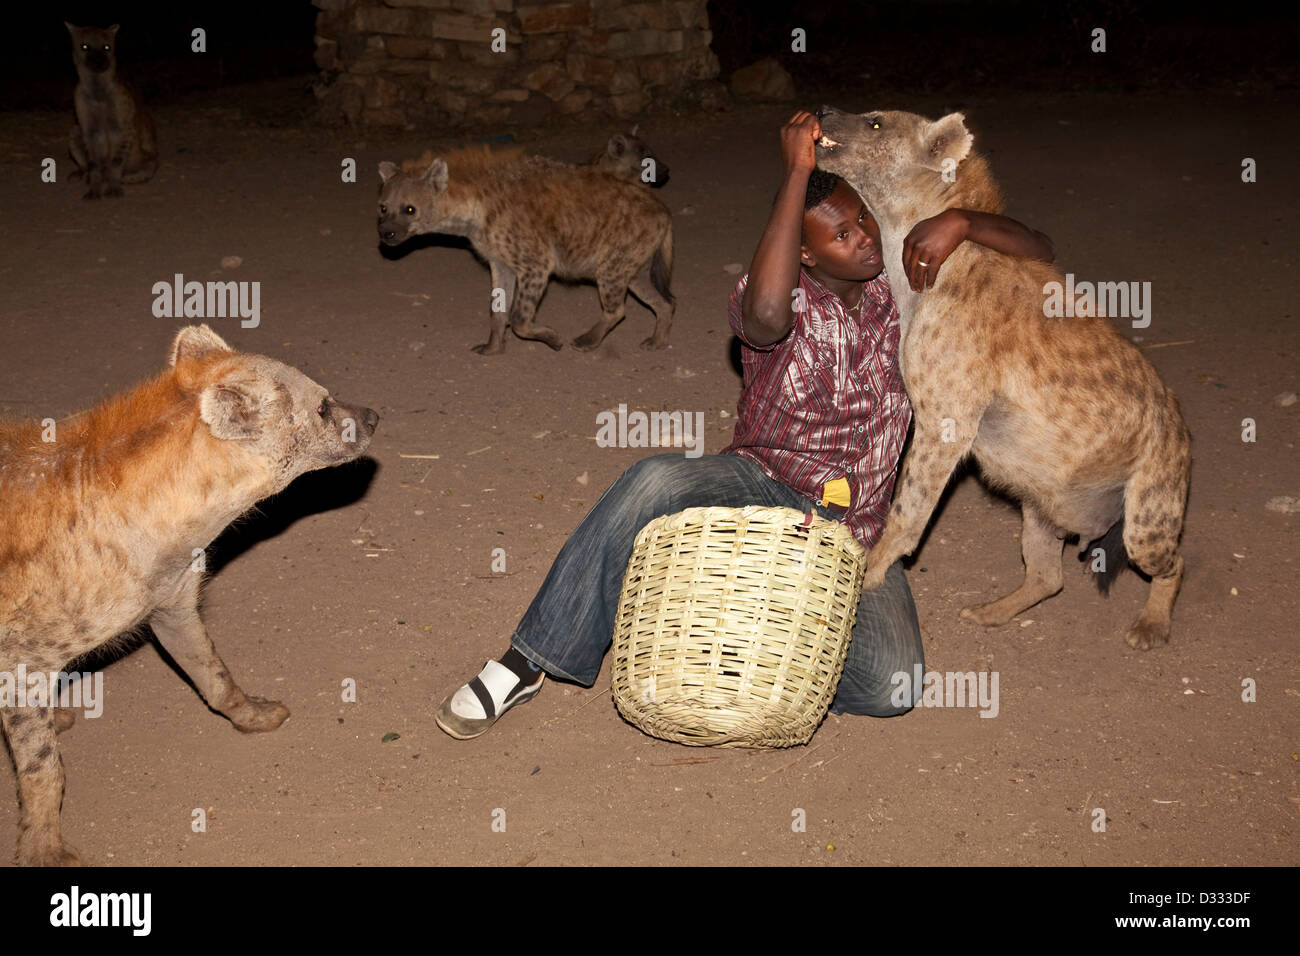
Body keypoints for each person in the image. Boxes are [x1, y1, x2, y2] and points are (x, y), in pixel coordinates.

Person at [435, 110, 1055, 740]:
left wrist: (961, 221)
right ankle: (530, 659)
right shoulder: (772, 298)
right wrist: (796, 173)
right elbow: (764, 311)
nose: (865, 237)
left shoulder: (903, 289)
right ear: (803, 252)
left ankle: (761, 626)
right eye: (841, 235)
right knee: (654, 480)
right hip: (760, 485)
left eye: (863, 218)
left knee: (893, 688)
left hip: (860, 526)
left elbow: (1039, 250)